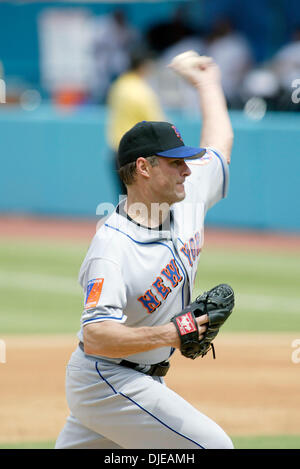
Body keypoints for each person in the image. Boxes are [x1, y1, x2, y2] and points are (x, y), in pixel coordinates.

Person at [55, 51, 234, 449]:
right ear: (144, 168)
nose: (188, 170)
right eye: (175, 163)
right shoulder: (112, 246)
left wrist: (206, 83)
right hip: (107, 381)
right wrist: (173, 333)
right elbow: (97, 335)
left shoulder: (185, 199)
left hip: (136, 378)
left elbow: (220, 142)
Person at [106, 46, 165, 194]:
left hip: (117, 150)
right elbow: (158, 125)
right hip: (137, 155)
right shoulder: (141, 91)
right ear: (143, 66)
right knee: (144, 204)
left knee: (126, 200)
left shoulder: (119, 85)